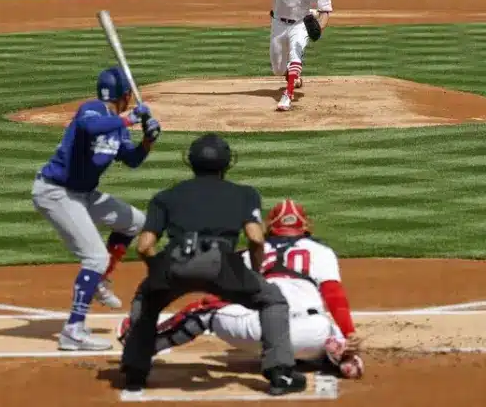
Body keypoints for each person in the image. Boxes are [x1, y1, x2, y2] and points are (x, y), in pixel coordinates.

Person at [118, 133, 306, 396]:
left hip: (176, 260)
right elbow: (255, 238)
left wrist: (160, 271)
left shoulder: (166, 196)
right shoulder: (244, 193)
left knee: (146, 300)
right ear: (227, 164)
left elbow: (144, 246)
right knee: (271, 300)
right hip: (221, 263)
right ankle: (280, 374)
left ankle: (134, 371)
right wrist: (254, 273)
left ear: (190, 162)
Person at [118, 198, 364, 379]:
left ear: (270, 227)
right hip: (314, 335)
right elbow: (334, 295)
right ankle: (335, 352)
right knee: (327, 321)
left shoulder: (250, 254)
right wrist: (350, 332)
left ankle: (143, 345)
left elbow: (220, 294)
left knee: (205, 310)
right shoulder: (321, 251)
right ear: (305, 227)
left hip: (260, 333)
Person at [31, 65, 161, 352]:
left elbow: (132, 160)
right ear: (126, 95)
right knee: (93, 257)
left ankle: (102, 278)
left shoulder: (115, 123)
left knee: (135, 222)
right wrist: (130, 119)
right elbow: (90, 127)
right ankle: (73, 331)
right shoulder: (92, 110)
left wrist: (148, 140)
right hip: (56, 192)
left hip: (83, 194)